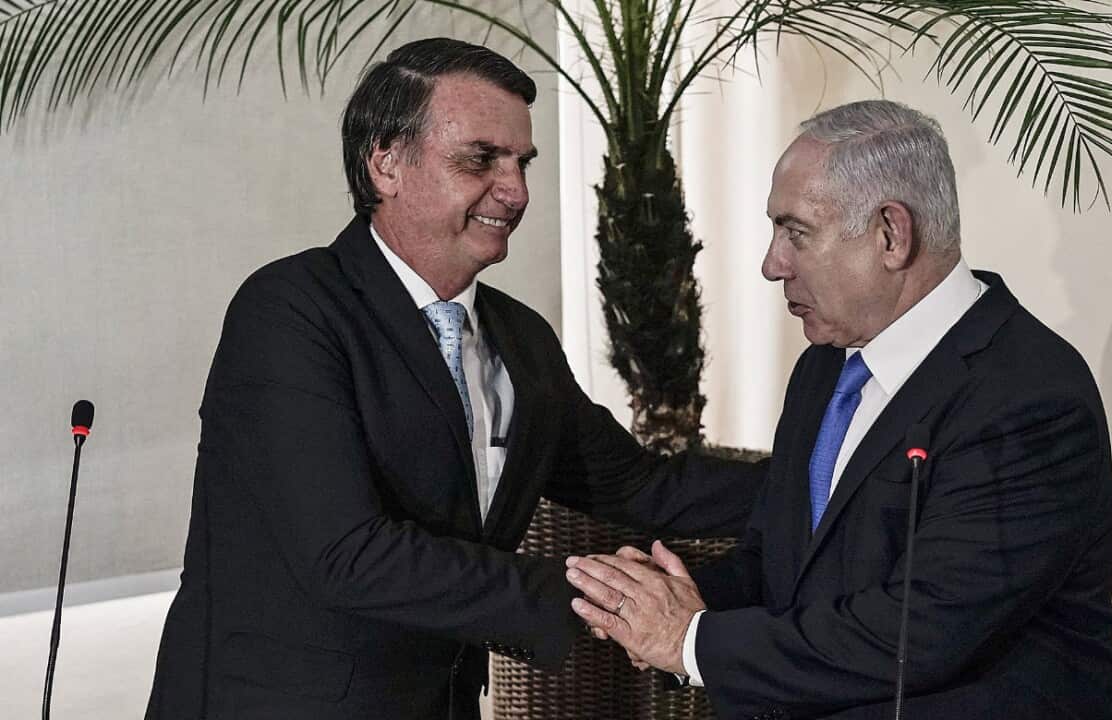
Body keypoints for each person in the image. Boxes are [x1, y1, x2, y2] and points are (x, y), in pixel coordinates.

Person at [145, 37, 763, 720]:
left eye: (523, 162)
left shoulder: (520, 337)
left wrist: (831, 482)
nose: (516, 190)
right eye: (481, 159)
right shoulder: (289, 309)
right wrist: (608, 597)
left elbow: (642, 486)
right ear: (385, 163)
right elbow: (347, 554)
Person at [567, 100, 1112, 720]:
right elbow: (780, 563)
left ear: (891, 233)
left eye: (796, 233)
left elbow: (921, 635)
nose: (772, 263)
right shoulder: (826, 365)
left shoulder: (1027, 395)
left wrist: (690, 640)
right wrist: (669, 600)